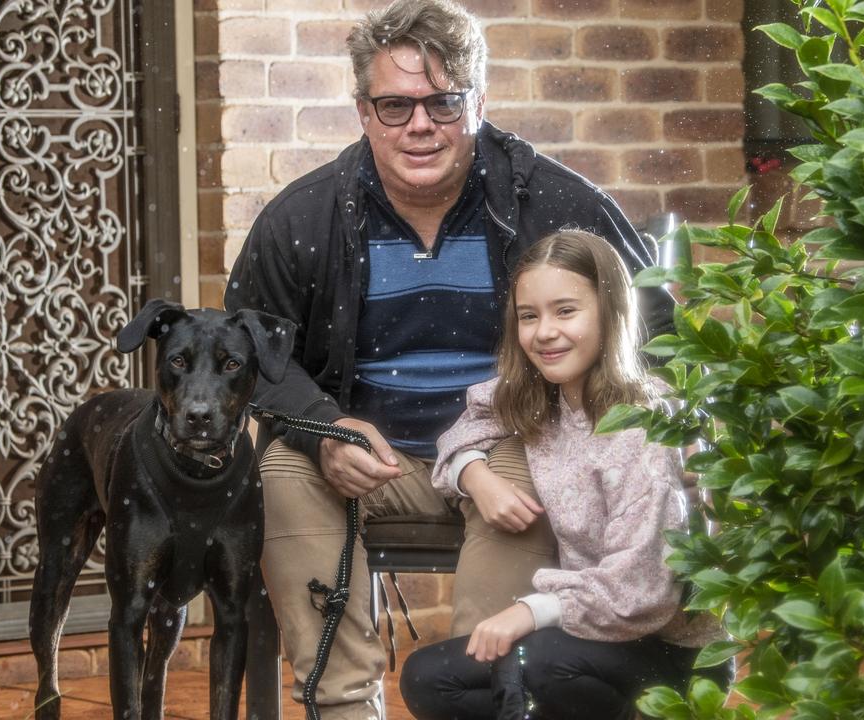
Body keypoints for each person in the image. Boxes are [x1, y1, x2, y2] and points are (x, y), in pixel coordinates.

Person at [222, 1, 674, 717]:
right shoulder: (302, 219)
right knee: (281, 466)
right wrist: (322, 426)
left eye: (442, 102)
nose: (420, 125)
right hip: (370, 455)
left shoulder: (554, 203)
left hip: (511, 446)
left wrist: (587, 432)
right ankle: (341, 705)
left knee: (528, 483)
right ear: (364, 111)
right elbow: (246, 351)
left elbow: (655, 331)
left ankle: (487, 698)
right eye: (395, 105)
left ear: (480, 102)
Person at [397, 230, 721, 720]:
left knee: (532, 665)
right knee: (428, 678)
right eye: (530, 316)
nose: (544, 332)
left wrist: (528, 611)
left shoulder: (643, 423)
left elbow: (642, 593)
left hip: (672, 653)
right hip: (588, 634)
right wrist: (477, 475)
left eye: (566, 311)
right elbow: (462, 431)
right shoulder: (541, 396)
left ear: (611, 313)